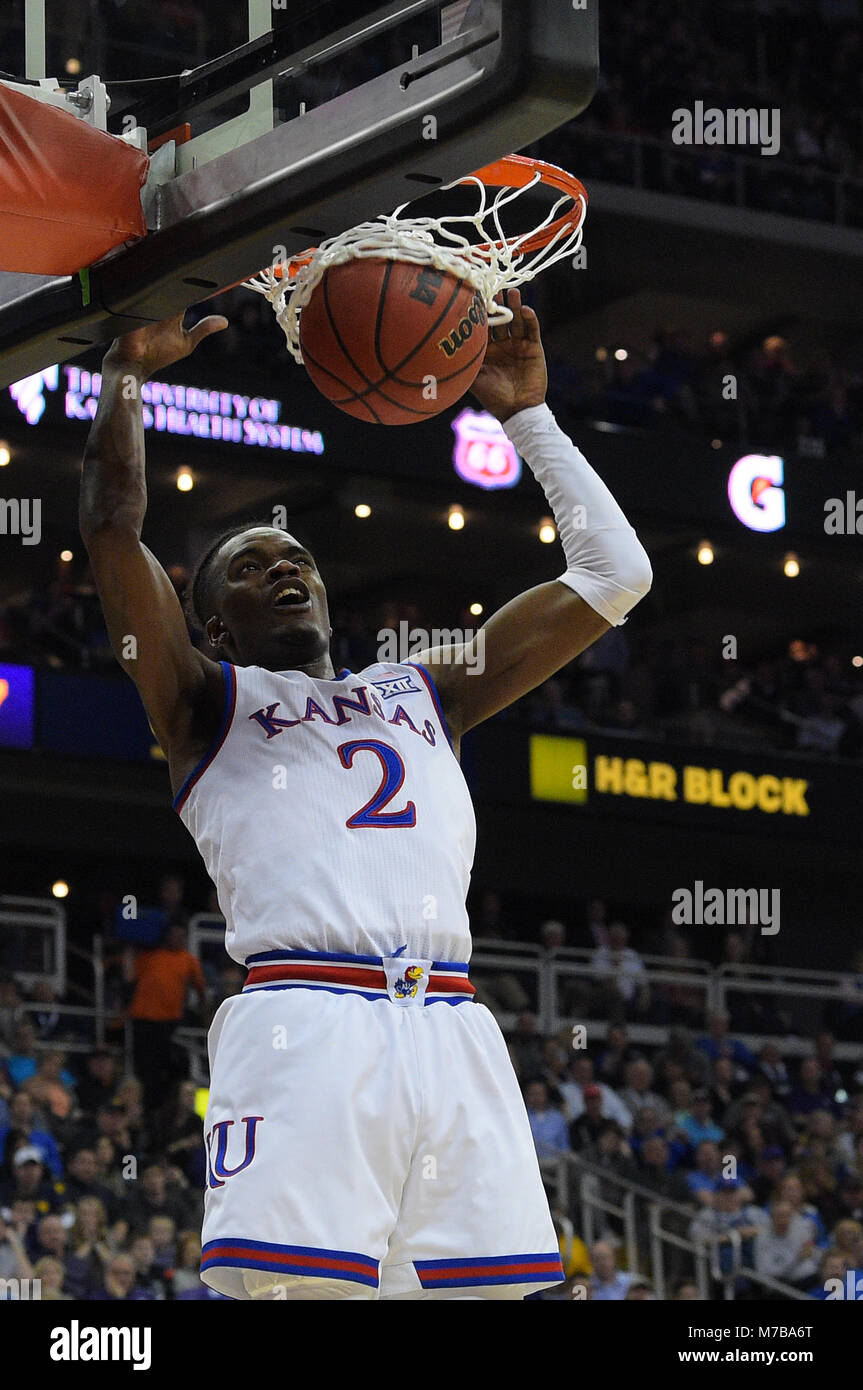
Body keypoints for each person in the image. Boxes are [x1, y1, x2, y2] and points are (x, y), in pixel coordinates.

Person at [79, 294, 652, 1301]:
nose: (285, 570)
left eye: (296, 560)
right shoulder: (205, 703)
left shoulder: (428, 690)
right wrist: (124, 380)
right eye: (251, 569)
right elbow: (112, 529)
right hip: (306, 1020)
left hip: (450, 1021)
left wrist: (527, 418)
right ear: (215, 627)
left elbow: (615, 573)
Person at [125, 923, 207, 1108]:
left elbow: (200, 989)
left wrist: (205, 1017)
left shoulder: (188, 960)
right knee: (144, 1070)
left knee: (167, 1070)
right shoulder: (149, 956)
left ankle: (164, 1108)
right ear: (167, 936)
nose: (177, 939)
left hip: (169, 1022)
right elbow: (129, 977)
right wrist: (128, 950)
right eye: (174, 934)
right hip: (143, 1019)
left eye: (181, 935)